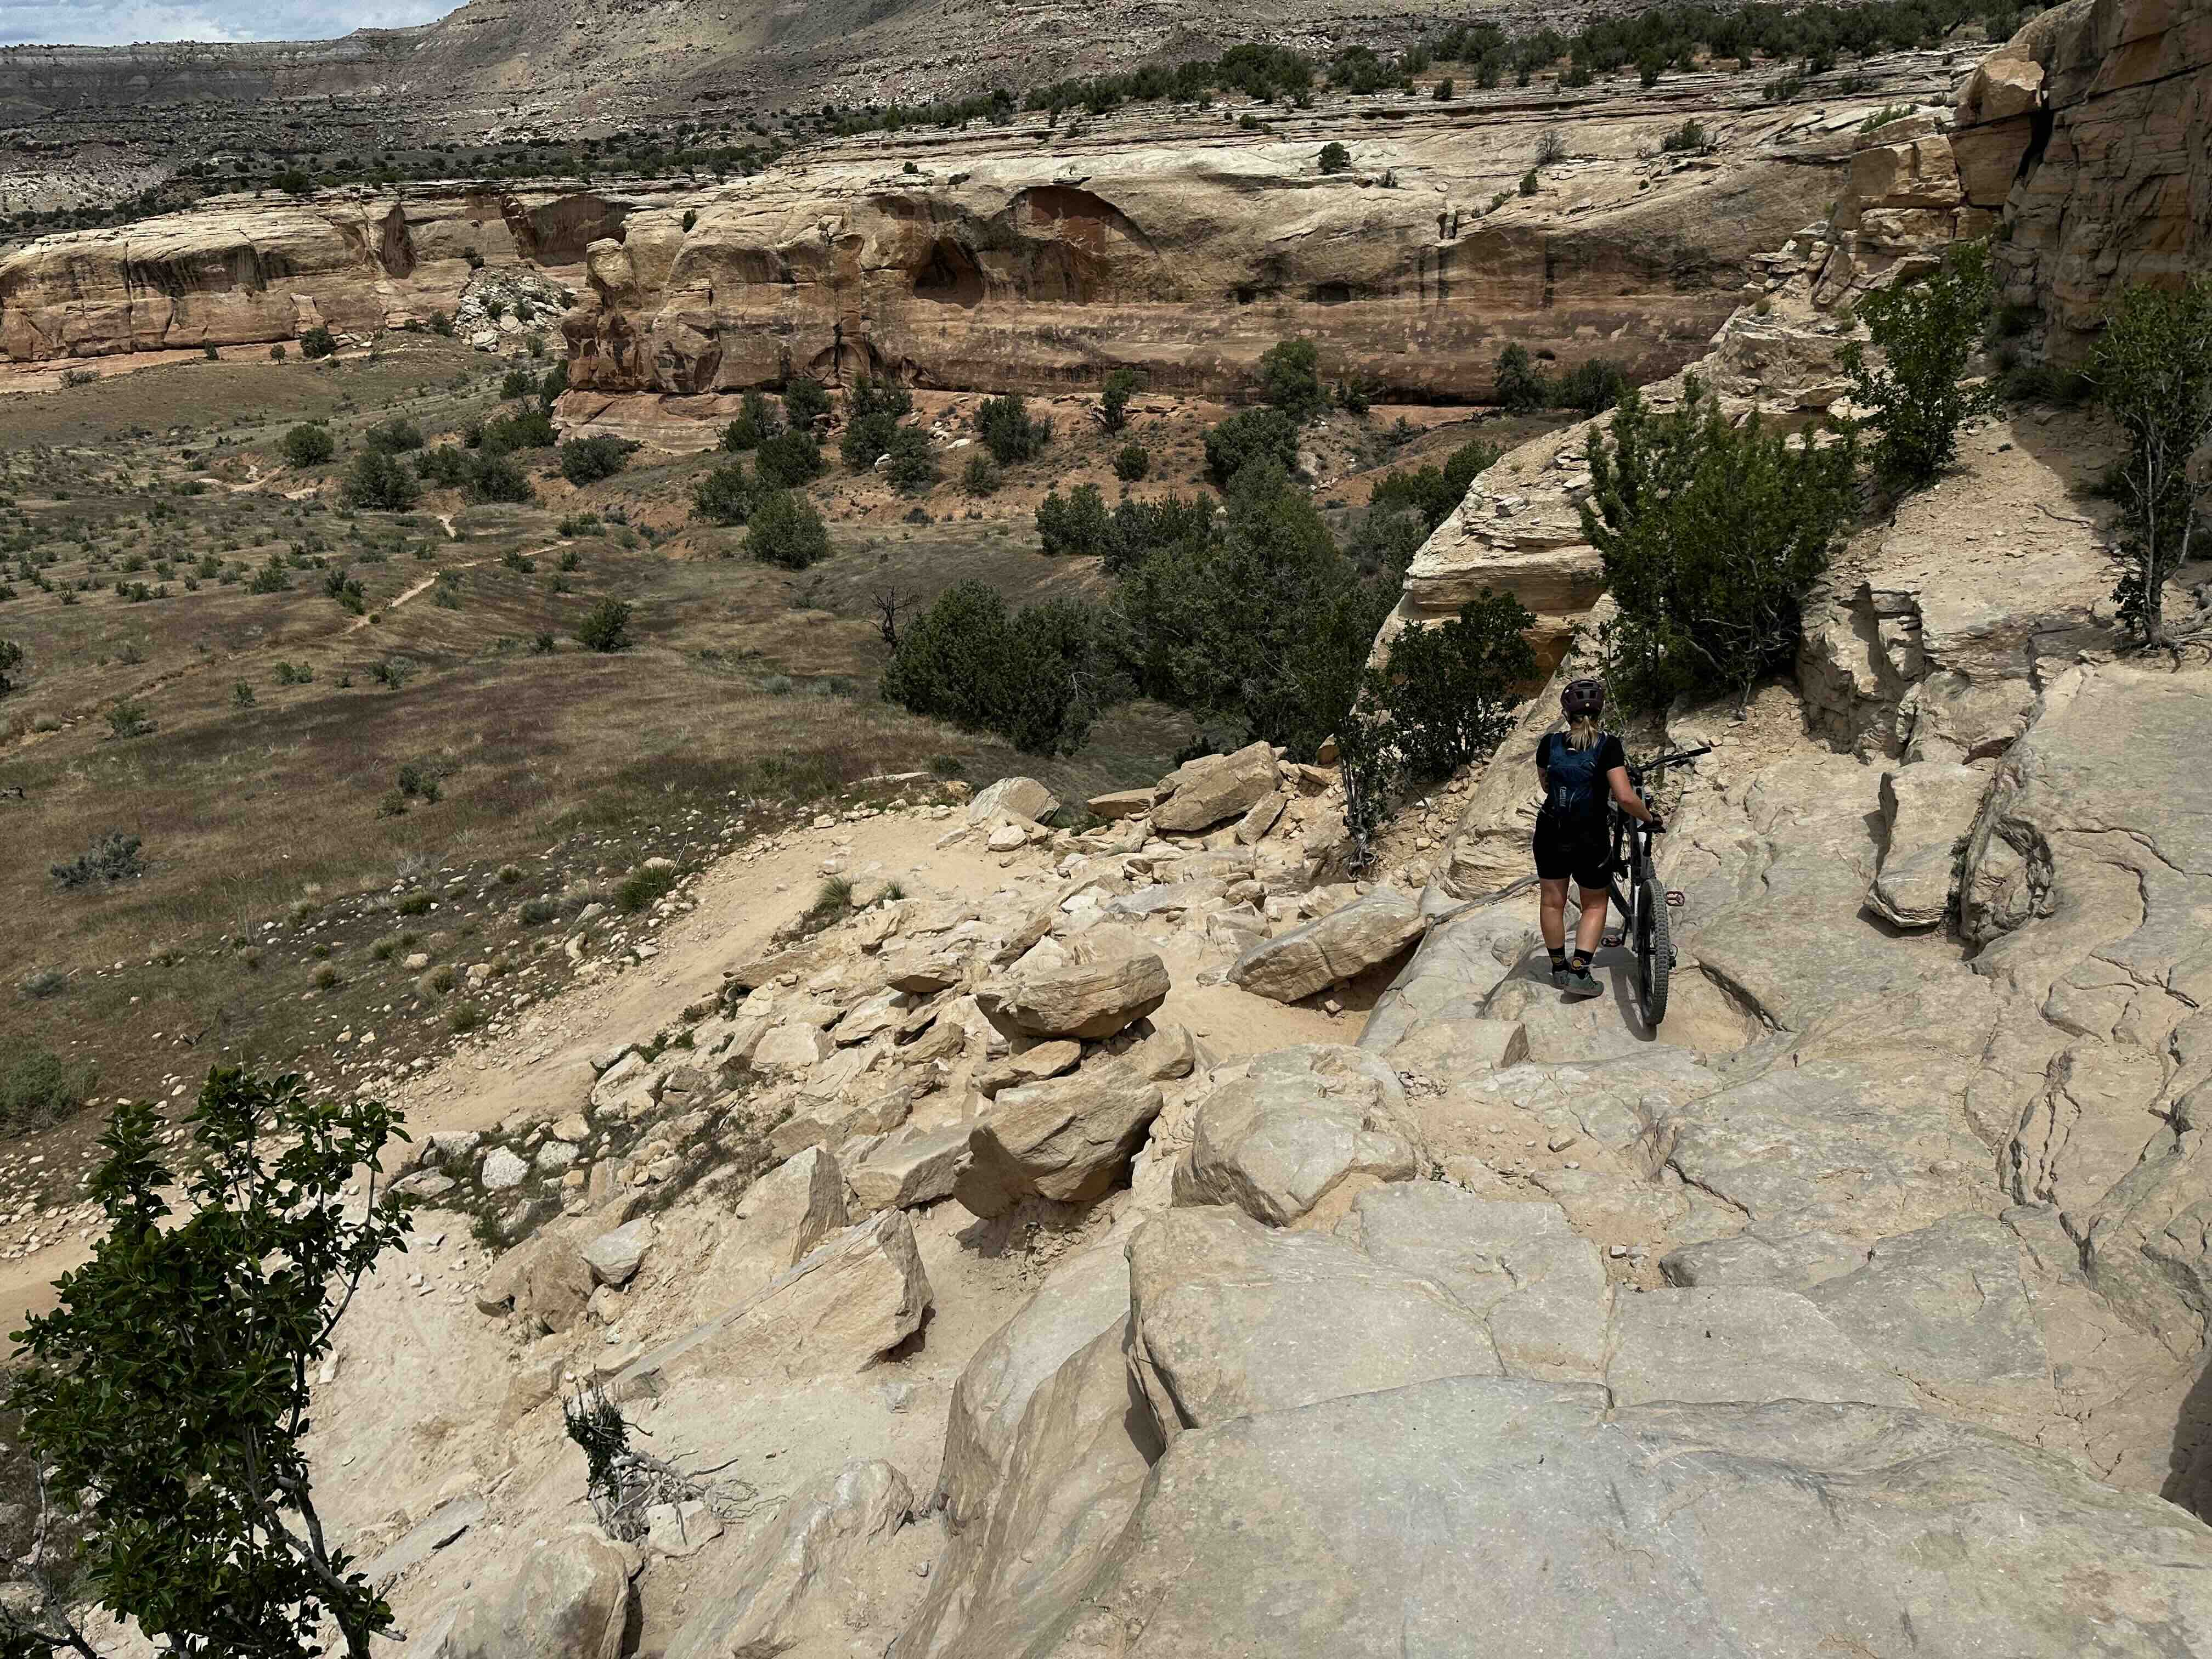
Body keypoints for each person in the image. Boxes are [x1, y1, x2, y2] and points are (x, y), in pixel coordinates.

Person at [1533, 678, 1661, 997]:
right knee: (1594, 904)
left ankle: (1559, 970)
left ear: (1566, 713)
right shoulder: (1608, 745)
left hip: (1551, 829)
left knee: (1552, 902)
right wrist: (1651, 818)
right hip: (1589, 836)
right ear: (1600, 711)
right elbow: (1625, 797)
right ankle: (1580, 972)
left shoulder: (1549, 744)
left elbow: (1547, 786)